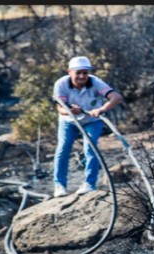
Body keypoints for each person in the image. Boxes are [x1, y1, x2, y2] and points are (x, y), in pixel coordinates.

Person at [52, 56, 123, 197]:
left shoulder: (95, 82)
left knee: (90, 148)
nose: (82, 76)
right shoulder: (61, 84)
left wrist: (101, 109)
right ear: (70, 72)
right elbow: (60, 108)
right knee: (63, 148)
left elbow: (116, 97)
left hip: (92, 120)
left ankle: (89, 183)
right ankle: (59, 185)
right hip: (68, 121)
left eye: (85, 72)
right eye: (78, 72)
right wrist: (70, 111)